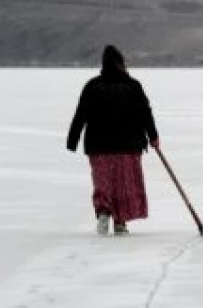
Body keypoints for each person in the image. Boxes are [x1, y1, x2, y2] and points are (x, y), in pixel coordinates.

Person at [67, 45, 160, 236]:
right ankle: (120, 221)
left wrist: (72, 140)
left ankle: (103, 212)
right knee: (124, 184)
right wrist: (153, 136)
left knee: (104, 182)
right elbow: (145, 112)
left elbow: (81, 114)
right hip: (128, 146)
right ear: (121, 63)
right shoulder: (133, 86)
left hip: (99, 146)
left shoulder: (92, 86)